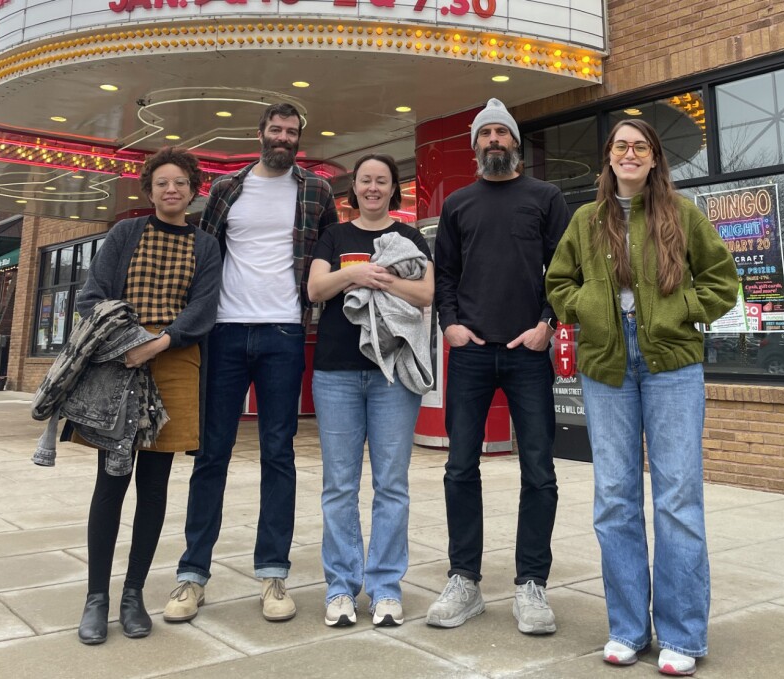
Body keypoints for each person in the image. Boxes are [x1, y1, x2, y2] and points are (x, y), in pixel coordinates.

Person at [546, 119, 738, 676]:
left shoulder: (682, 214)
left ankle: (681, 634)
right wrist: (586, 308)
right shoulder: (585, 220)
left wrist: (681, 311)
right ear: (608, 158)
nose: (629, 154)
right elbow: (558, 283)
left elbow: (722, 281)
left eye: (640, 147)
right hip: (607, 364)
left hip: (672, 364)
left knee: (677, 497)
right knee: (615, 498)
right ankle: (628, 628)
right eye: (620, 146)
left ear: (654, 159)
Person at [163, 103, 338, 624]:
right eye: (276, 130)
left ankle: (273, 573)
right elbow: (203, 255)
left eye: (292, 132)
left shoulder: (318, 191)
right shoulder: (226, 190)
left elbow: (327, 256)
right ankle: (192, 576)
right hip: (225, 330)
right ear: (259, 134)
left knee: (278, 453)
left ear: (298, 140)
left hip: (285, 331)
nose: (283, 138)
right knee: (211, 452)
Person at [428, 98, 569, 634]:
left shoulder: (545, 197)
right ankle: (464, 580)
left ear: (514, 144)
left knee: (540, 471)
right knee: (460, 467)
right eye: (484, 134)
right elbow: (444, 274)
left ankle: (532, 584)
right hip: (470, 353)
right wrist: (451, 324)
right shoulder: (459, 203)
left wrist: (547, 324)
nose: (493, 140)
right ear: (475, 147)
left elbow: (563, 269)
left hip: (527, 352)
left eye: (501, 133)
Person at [75, 147, 222, 644]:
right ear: (150, 189)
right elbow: (92, 295)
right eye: (162, 183)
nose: (171, 190)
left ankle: (133, 594)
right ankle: (96, 598)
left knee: (155, 485)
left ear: (193, 188)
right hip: (119, 362)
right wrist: (130, 344)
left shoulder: (205, 246)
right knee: (111, 480)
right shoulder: (125, 234)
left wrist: (158, 342)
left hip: (176, 361)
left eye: (180, 182)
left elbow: (203, 309)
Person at [307, 154, 434, 628]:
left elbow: (426, 296)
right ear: (353, 189)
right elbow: (316, 288)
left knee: (392, 486)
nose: (374, 188)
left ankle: (385, 588)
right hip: (336, 373)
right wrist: (354, 276)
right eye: (366, 181)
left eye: (382, 181)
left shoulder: (410, 238)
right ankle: (340, 589)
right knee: (339, 486)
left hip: (392, 376)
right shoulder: (335, 237)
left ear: (392, 188)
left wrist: (388, 282)